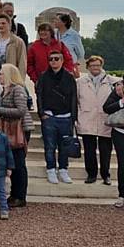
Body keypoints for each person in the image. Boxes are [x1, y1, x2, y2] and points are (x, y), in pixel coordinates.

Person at [36, 50, 78, 184]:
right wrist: (42, 113)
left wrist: (73, 117)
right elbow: (39, 96)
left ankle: (63, 169)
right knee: (49, 146)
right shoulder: (43, 76)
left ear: (62, 60)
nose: (53, 61)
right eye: (51, 59)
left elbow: (73, 97)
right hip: (49, 117)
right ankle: (51, 169)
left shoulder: (69, 77)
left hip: (66, 117)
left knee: (64, 146)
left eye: (56, 59)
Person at [0, 63, 33, 208]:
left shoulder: (18, 89)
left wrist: (0, 110)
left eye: (1, 73)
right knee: (13, 163)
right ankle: (14, 193)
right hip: (9, 129)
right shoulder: (6, 90)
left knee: (19, 164)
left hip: (19, 130)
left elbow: (21, 111)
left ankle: (20, 196)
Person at [76, 55, 118, 185]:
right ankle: (91, 174)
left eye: (98, 65)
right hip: (87, 118)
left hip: (104, 120)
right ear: (88, 67)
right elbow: (76, 100)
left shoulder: (112, 81)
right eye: (93, 65)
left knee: (105, 151)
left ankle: (106, 175)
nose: (95, 68)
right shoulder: (80, 82)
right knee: (89, 150)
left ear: (101, 66)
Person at [103, 79, 124, 208]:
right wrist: (121, 102)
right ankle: (122, 195)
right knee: (123, 164)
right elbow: (107, 108)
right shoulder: (118, 88)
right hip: (120, 131)